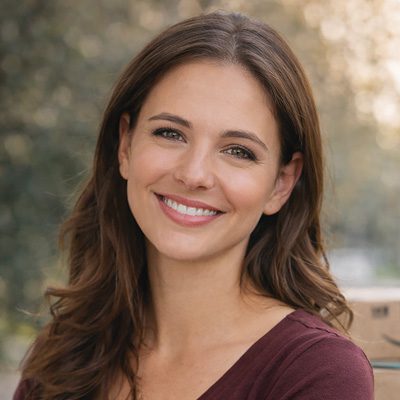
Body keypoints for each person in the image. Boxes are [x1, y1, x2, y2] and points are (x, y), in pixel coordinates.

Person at [13, 10, 374, 400]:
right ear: (126, 145)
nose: (194, 173)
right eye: (170, 133)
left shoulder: (317, 372)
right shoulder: (67, 351)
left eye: (238, 151)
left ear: (281, 183)